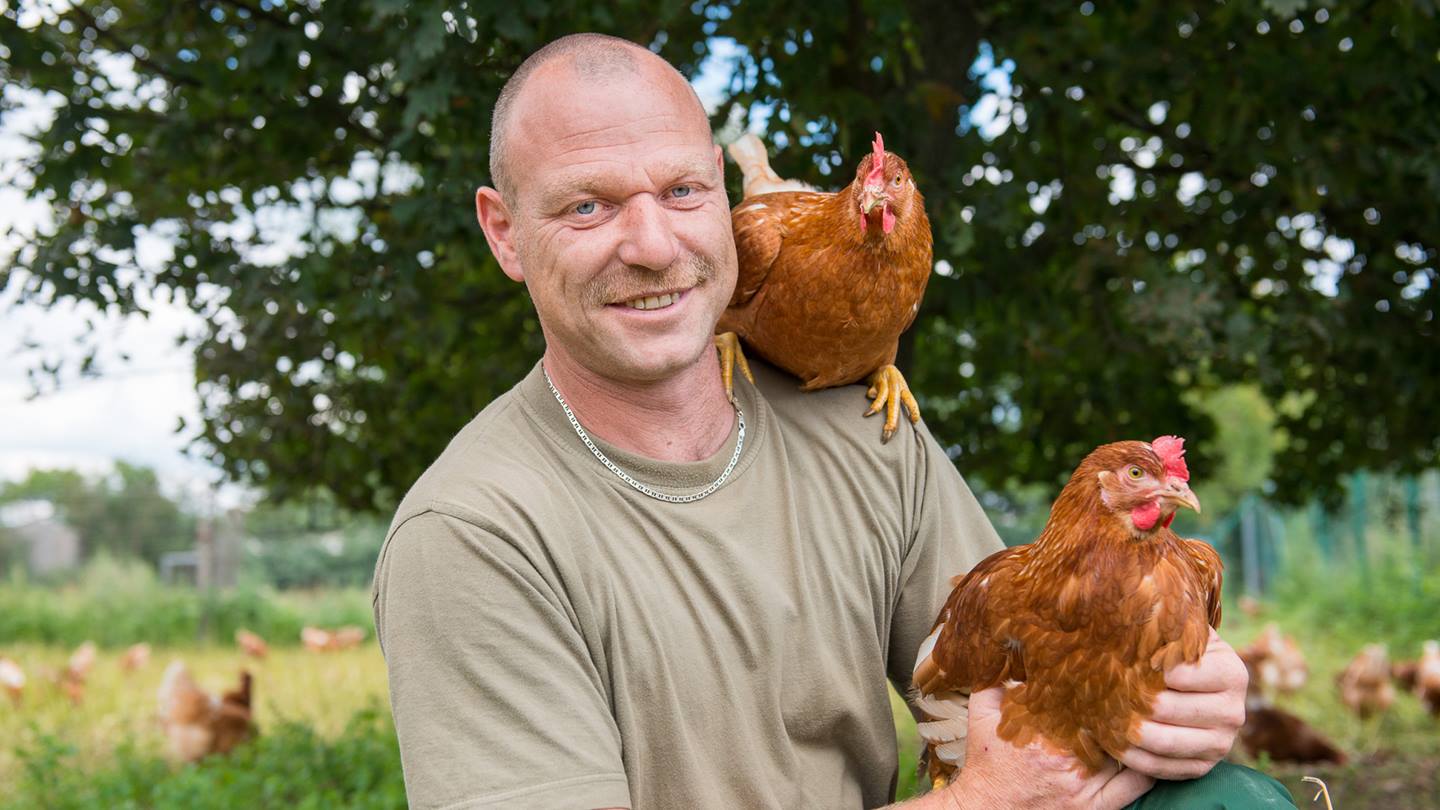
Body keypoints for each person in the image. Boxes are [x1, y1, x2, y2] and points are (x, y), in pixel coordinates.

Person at [372, 33, 1292, 810]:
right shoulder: (473, 535)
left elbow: (1003, 682)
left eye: (686, 193)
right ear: (502, 233)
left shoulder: (862, 424)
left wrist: (1184, 688)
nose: (653, 247)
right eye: (588, 206)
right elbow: (1002, 786)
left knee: (1229, 800)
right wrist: (980, 803)